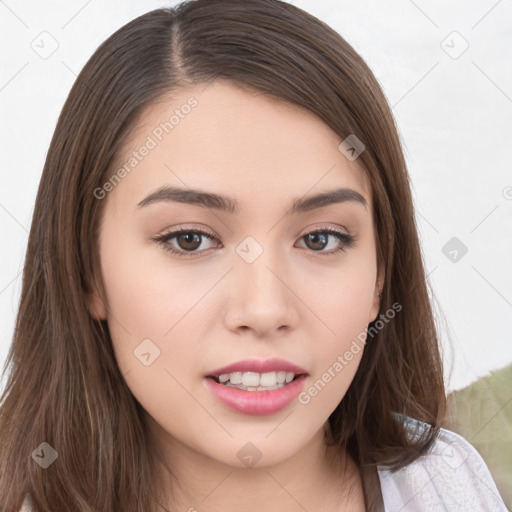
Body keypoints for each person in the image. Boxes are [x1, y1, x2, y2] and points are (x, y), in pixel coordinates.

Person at [0, 1, 507, 511]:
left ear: (380, 279)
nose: (264, 310)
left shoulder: (448, 486)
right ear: (88, 271)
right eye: (190, 239)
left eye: (320, 239)